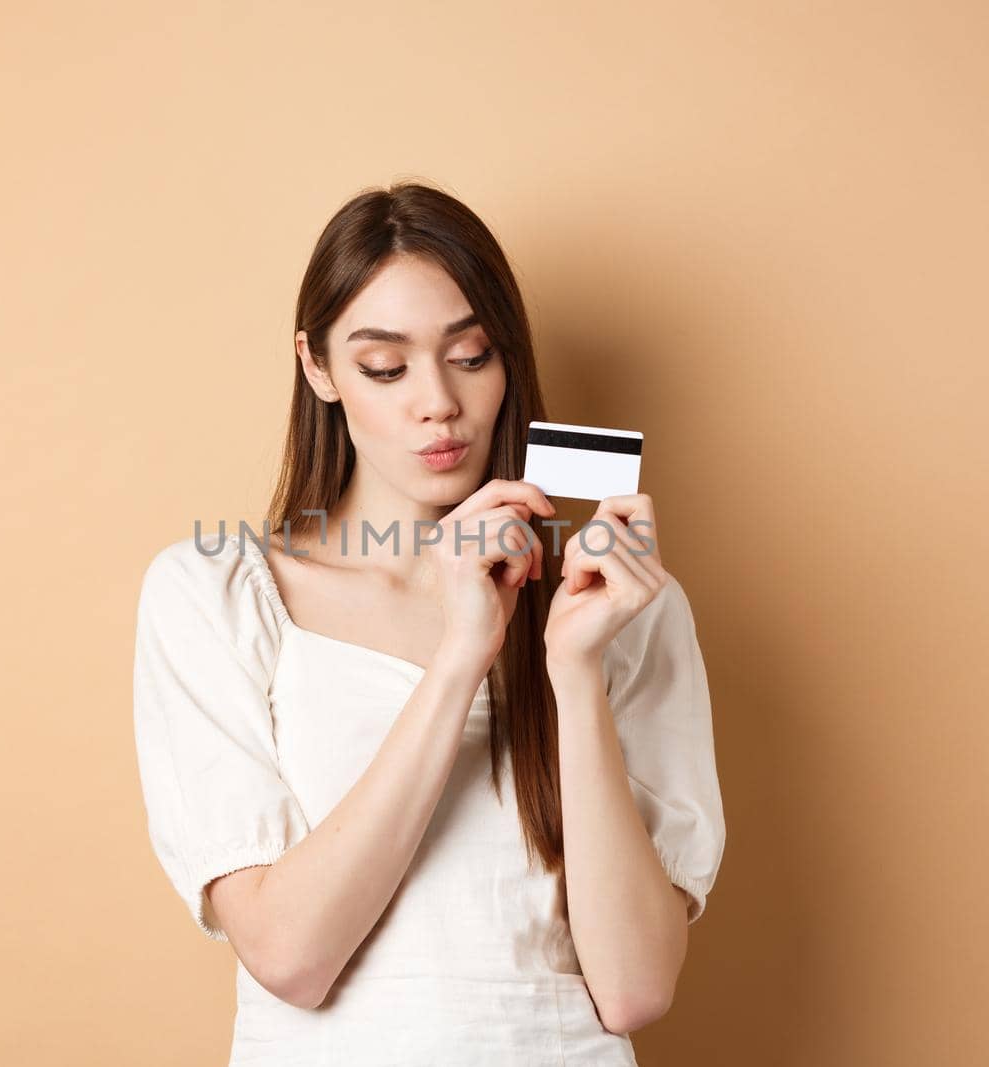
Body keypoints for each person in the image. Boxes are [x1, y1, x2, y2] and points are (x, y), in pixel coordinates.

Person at [132, 180, 726, 1065]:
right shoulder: (216, 592)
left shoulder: (619, 604)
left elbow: (635, 988)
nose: (437, 401)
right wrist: (459, 658)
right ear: (319, 367)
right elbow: (290, 957)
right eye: (385, 366)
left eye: (472, 355)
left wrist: (572, 671)